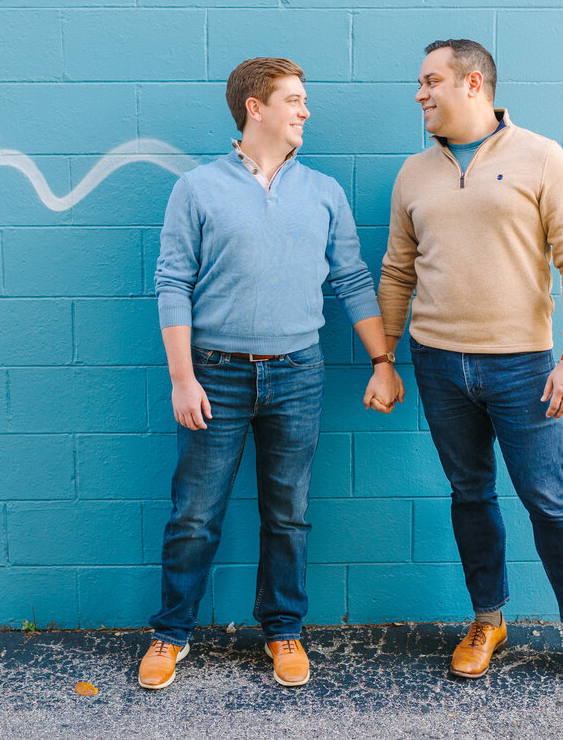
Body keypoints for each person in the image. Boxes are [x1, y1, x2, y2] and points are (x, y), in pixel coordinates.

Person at [140, 57, 403, 690]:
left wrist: (382, 361)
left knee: (288, 512)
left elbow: (352, 280)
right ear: (255, 108)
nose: (305, 110)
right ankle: (171, 633)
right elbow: (172, 281)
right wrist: (183, 379)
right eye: (294, 99)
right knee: (196, 515)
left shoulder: (324, 192)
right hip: (215, 375)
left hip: (298, 374)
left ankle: (283, 630)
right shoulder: (198, 188)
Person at [376, 39, 563, 698]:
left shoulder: (541, 157)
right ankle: (488, 621)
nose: (419, 93)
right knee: (470, 495)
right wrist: (386, 357)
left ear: (473, 82)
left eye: (431, 80)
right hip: (437, 363)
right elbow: (398, 270)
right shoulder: (413, 173)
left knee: (548, 498)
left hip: (523, 366)